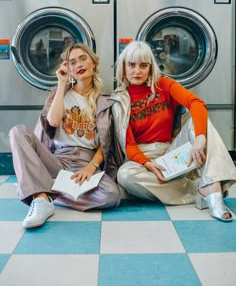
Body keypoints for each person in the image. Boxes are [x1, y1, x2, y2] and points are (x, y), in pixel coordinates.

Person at [111, 40, 236, 222]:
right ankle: (200, 188)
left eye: (143, 65)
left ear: (150, 68)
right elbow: (128, 144)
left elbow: (196, 104)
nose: (137, 71)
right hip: (141, 159)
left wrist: (200, 138)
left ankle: (213, 192)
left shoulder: (163, 84)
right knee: (124, 176)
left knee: (200, 122)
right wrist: (147, 163)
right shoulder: (119, 99)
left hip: (171, 150)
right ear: (123, 67)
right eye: (131, 65)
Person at [9, 43, 122, 228]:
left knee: (111, 195)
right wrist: (61, 85)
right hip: (58, 160)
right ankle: (40, 197)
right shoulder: (60, 94)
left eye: (83, 59)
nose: (78, 65)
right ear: (67, 68)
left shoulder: (105, 101)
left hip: (85, 162)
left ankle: (39, 189)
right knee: (17, 132)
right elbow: (53, 122)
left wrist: (91, 168)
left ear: (93, 63)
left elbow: (105, 143)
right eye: (72, 62)